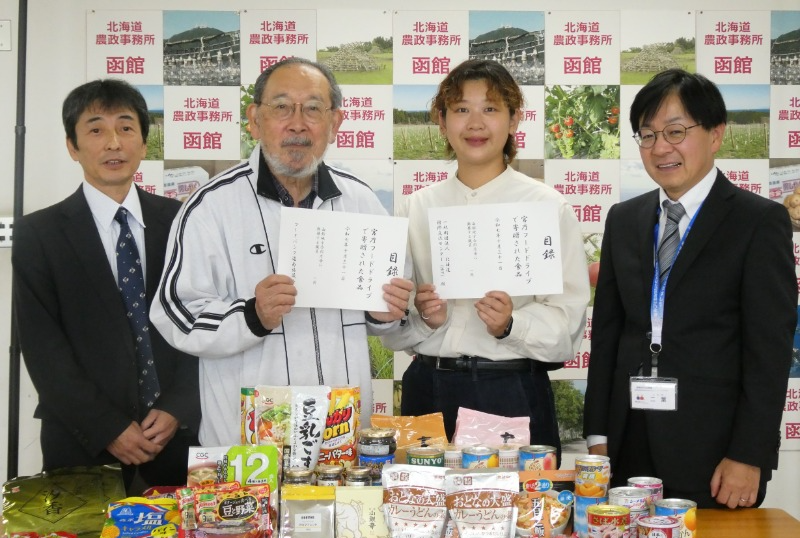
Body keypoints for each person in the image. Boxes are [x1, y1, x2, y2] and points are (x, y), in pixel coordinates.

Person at [150, 57, 412, 446]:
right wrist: (251, 315)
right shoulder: (211, 206)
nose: (297, 123)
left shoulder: (361, 201)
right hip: (246, 443)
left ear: (335, 123)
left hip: (340, 436)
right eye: (282, 107)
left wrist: (388, 314)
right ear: (254, 119)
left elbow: (391, 319)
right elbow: (175, 314)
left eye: (312, 109)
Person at [583, 69, 797, 509]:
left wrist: (748, 455)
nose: (661, 147)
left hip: (716, 453)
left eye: (676, 131)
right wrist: (598, 435)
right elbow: (607, 336)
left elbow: (769, 351)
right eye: (647, 135)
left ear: (716, 135)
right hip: (628, 441)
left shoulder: (758, 222)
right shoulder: (623, 220)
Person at [380, 60, 590, 463]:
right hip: (428, 388)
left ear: (515, 121)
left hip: (510, 388)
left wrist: (513, 323)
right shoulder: (416, 207)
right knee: (421, 514)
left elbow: (567, 327)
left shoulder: (547, 207)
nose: (475, 123)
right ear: (442, 122)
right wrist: (423, 318)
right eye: (461, 109)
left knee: (519, 518)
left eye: (490, 109)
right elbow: (389, 327)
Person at [12, 79, 200, 493]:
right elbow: (43, 349)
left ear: (143, 143)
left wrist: (178, 408)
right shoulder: (38, 234)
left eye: (126, 127)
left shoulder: (182, 221)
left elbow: (202, 319)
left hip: (178, 439)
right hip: (82, 444)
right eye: (96, 129)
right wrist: (108, 427)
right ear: (72, 146)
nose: (113, 142)